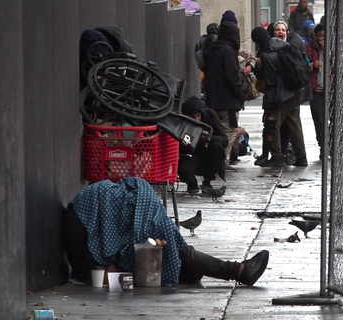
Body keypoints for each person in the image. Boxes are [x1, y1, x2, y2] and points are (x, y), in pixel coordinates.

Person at [63, 178, 270, 286]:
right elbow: (111, 272)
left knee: (169, 246)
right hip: (91, 237)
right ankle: (237, 270)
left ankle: (236, 270)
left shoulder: (92, 216)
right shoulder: (92, 256)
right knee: (173, 250)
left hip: (93, 215)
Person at [251, 26, 308, 167]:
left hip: (281, 95)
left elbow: (270, 81)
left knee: (272, 124)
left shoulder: (266, 54)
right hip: (295, 91)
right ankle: (301, 157)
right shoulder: (282, 45)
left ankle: (277, 157)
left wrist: (259, 66)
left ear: (257, 41)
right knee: (294, 125)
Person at [204, 20, 245, 170]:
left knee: (217, 132)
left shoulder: (213, 50)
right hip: (228, 103)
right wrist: (241, 95)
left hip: (214, 101)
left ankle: (216, 161)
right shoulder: (228, 51)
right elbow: (233, 78)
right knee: (228, 131)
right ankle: (222, 161)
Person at [177, 96, 228, 193]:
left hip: (208, 154)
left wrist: (210, 138)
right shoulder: (182, 121)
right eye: (193, 117)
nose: (196, 119)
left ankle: (207, 182)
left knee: (217, 146)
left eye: (198, 116)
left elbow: (224, 140)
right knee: (184, 169)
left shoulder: (210, 115)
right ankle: (192, 184)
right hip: (190, 156)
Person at [306, 24, 327, 158]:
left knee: (331, 119)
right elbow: (302, 66)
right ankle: (323, 147)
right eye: (320, 36)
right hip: (315, 90)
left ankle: (331, 145)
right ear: (315, 36)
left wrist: (327, 53)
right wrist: (312, 65)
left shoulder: (332, 48)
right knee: (318, 119)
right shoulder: (308, 49)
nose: (322, 39)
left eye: (325, 36)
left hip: (330, 90)